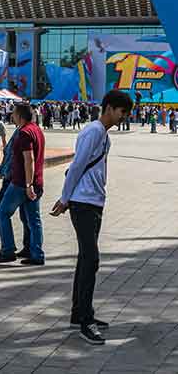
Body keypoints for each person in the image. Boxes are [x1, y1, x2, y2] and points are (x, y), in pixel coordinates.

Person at [51, 89, 133, 345]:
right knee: (91, 259)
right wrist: (65, 199)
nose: (124, 117)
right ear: (109, 108)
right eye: (122, 112)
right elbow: (77, 166)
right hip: (82, 203)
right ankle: (86, 321)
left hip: (94, 201)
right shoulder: (93, 131)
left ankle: (79, 314)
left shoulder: (104, 136)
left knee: (85, 259)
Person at [0, 103, 45, 266]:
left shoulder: (24, 133)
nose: (12, 115)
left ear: (20, 116)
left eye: (14, 113)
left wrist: (28, 185)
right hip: (36, 182)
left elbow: (29, 159)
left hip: (22, 184)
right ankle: (36, 253)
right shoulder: (37, 130)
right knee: (33, 220)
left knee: (2, 213)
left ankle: (8, 250)